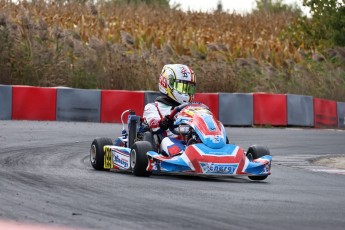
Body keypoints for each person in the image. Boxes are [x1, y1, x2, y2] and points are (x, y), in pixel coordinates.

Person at [143, 64, 196, 157]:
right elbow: (153, 124)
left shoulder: (192, 108)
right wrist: (163, 122)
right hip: (168, 143)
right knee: (167, 141)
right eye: (181, 87)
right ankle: (182, 156)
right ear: (166, 83)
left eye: (188, 88)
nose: (185, 92)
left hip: (190, 142)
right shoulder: (153, 107)